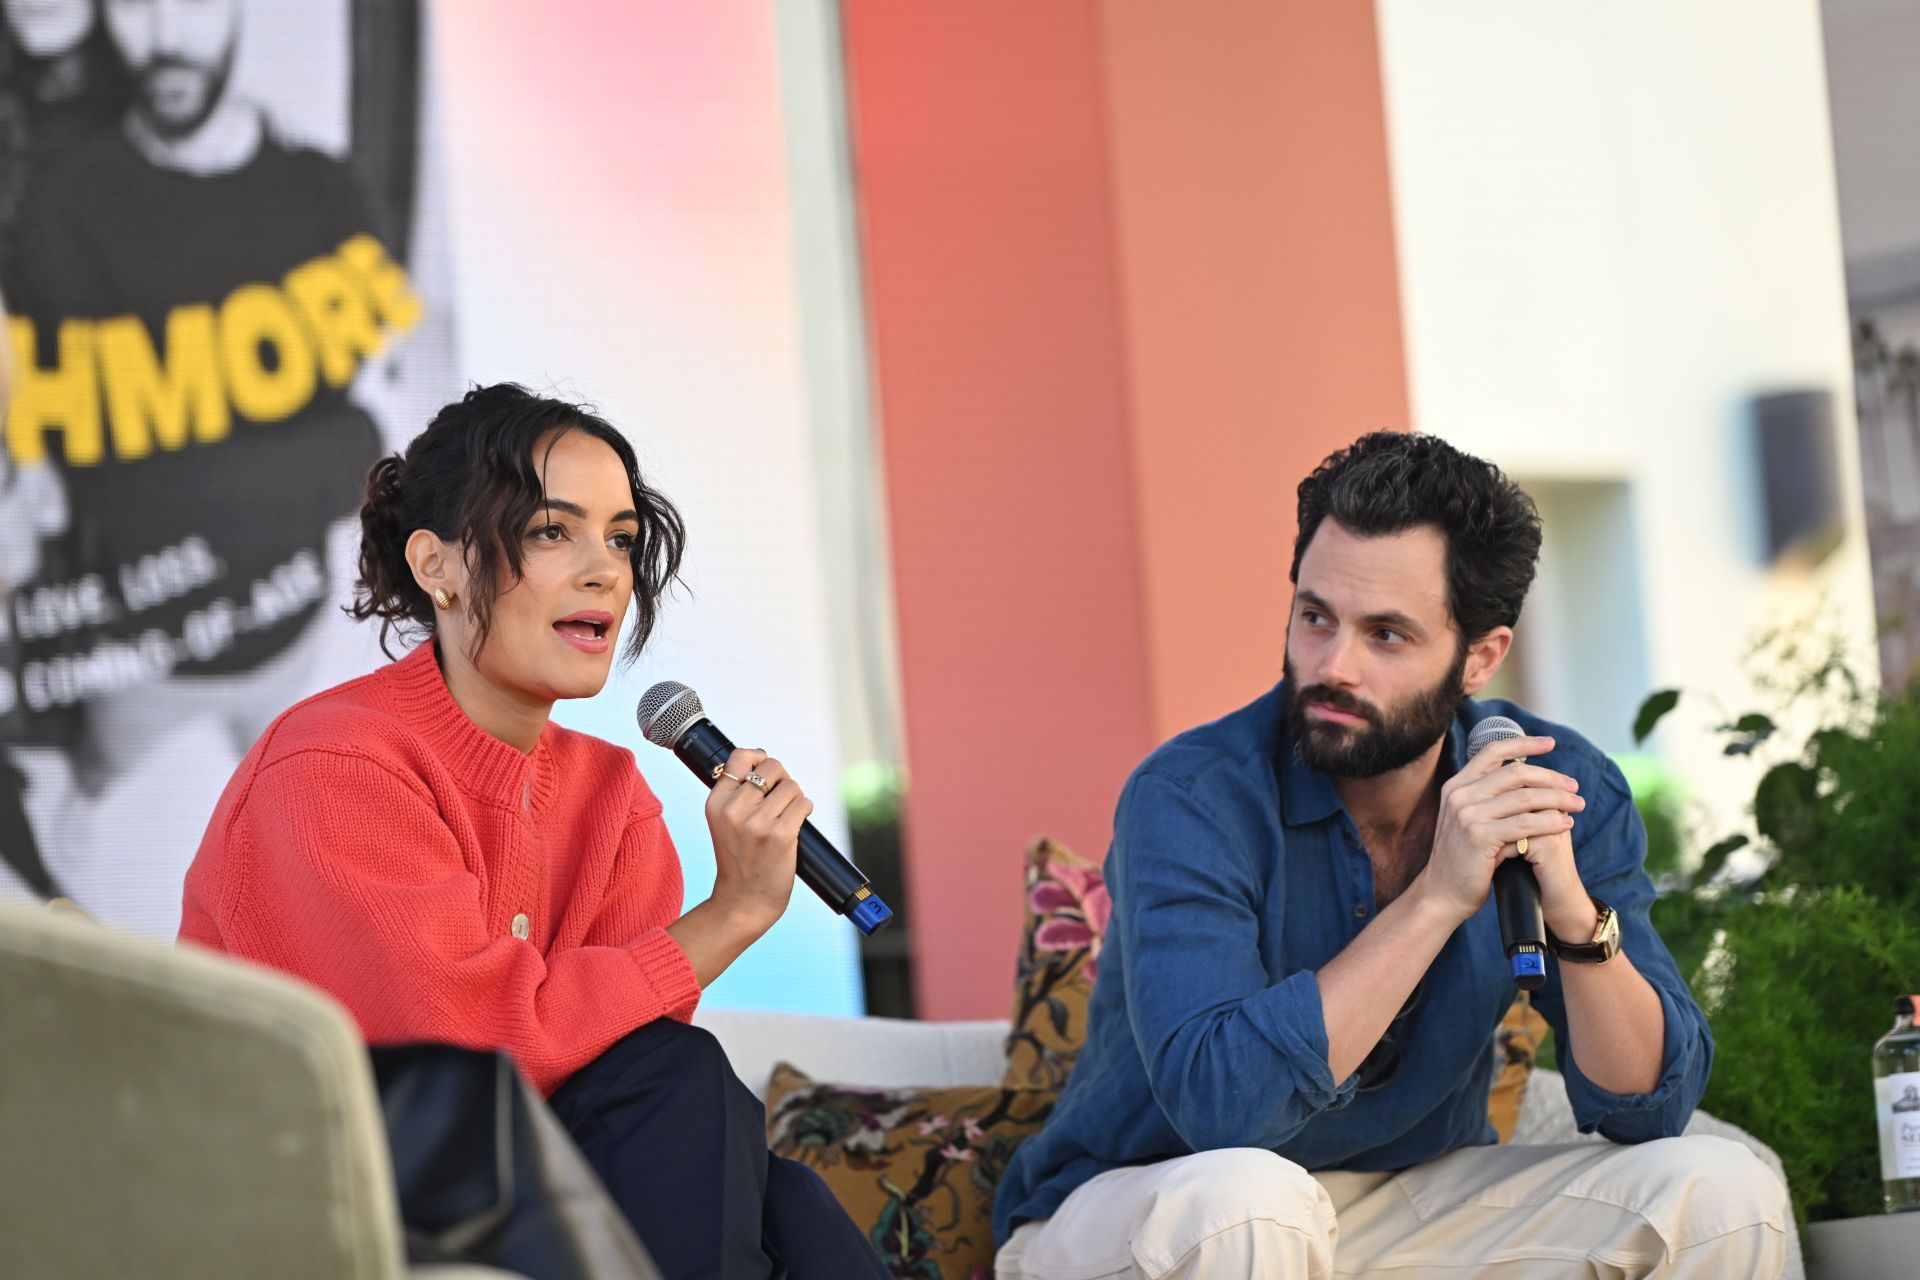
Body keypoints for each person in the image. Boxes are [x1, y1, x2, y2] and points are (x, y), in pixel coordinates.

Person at [992, 432, 1790, 1278]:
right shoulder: (1192, 796)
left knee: (1717, 1190)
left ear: (1481, 656)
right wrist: (1438, 897)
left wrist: (1569, 912)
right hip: (1150, 1208)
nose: (1333, 666)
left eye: (1387, 636)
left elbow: (1647, 1108)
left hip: (1410, 1204)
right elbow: (1221, 1109)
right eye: (1315, 617)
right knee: (1249, 1204)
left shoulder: (1555, 785)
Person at [178, 383, 890, 1279]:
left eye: (621, 539)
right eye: (553, 531)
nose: (605, 570)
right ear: (435, 565)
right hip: (319, 1186)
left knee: (784, 1196)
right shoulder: (337, 763)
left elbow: (616, 1069)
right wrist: (734, 912)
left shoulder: (613, 796)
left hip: (525, 1187)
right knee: (684, 1076)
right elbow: (470, 1055)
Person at [2, 0, 423, 930]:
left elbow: (387, 425)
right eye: (134, 10)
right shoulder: (64, 204)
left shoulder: (323, 192)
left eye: (187, 6)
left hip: (305, 634)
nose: (163, 37)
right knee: (108, 887)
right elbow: (53, 468)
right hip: (140, 660)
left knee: (353, 905)